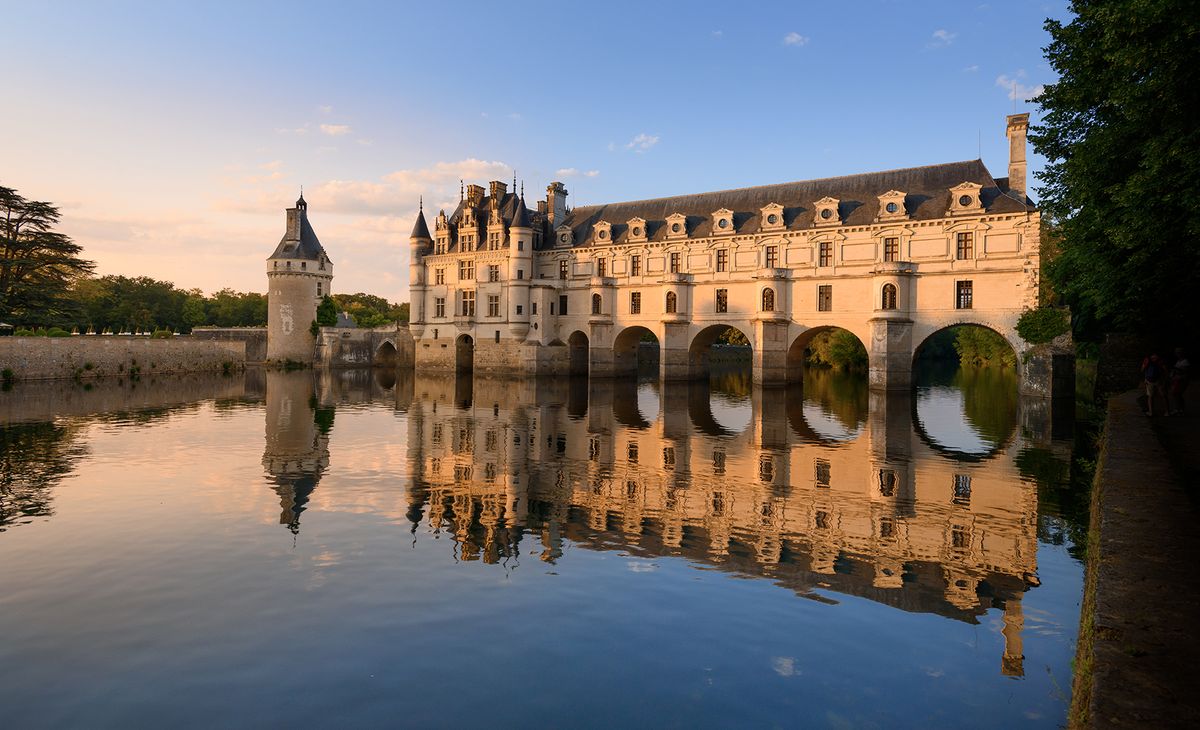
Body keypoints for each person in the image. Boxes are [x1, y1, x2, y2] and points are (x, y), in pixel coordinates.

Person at [1168, 347, 1190, 416]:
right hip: (1177, 380)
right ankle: (1179, 409)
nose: (1177, 354)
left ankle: (1180, 410)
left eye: (1179, 352)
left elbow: (1185, 372)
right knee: (1176, 394)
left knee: (1177, 394)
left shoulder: (1185, 362)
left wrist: (1176, 372)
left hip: (1182, 381)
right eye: (1176, 352)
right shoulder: (1178, 361)